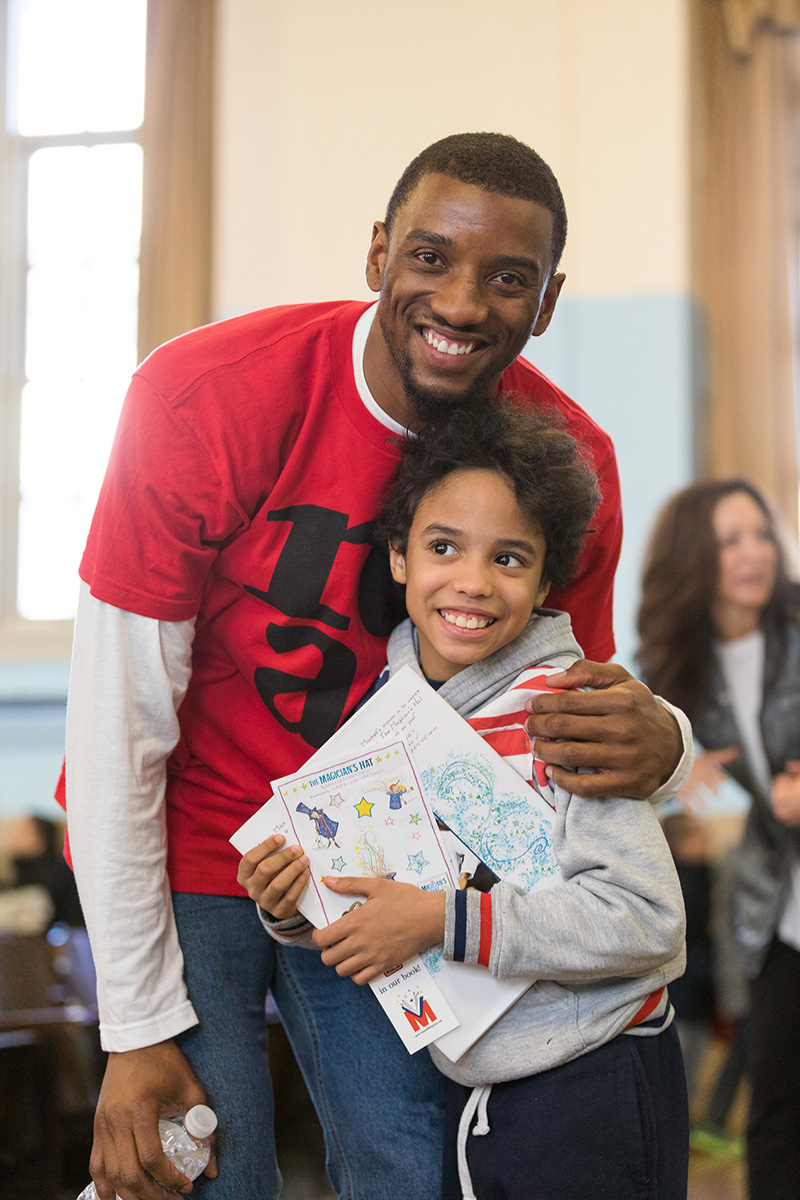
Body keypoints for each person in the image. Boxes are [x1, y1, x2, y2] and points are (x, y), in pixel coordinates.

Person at [63, 132, 691, 1199]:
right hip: (190, 851)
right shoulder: (201, 396)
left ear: (545, 304)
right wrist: (133, 1026)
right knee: (203, 1171)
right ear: (376, 256)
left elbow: (558, 729)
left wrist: (666, 744)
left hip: (385, 878)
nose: (460, 302)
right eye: (429, 257)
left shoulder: (566, 462)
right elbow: (117, 726)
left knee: (405, 1169)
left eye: (507, 279)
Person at [241, 401, 688, 1200]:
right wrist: (293, 907)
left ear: (548, 578)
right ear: (399, 556)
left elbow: (647, 920)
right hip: (476, 1093)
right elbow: (388, 918)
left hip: (593, 1081)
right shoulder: (387, 718)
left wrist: (441, 919)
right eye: (444, 547)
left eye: (509, 559)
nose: (474, 583)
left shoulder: (568, 715)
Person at [637, 478, 800, 1199]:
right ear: (696, 556)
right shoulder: (677, 678)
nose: (753, 553)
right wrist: (687, 778)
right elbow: (678, 795)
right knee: (775, 1112)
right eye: (731, 539)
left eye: (760, 534)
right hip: (771, 914)